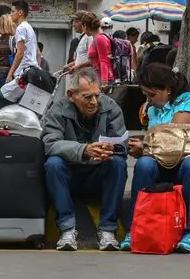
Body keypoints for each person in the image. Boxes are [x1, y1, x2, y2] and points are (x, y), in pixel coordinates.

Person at [122, 64, 190, 253]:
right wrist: (142, 149)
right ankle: (134, 230)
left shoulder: (188, 101)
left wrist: (145, 145)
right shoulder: (152, 110)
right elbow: (156, 143)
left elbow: (174, 135)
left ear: (167, 90)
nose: (148, 100)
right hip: (159, 166)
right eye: (146, 95)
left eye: (151, 95)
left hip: (185, 165)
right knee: (144, 164)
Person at [42, 68, 128, 252]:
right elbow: (50, 144)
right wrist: (84, 150)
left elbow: (122, 143)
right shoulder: (58, 110)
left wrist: (112, 149)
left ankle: (107, 231)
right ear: (71, 95)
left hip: (97, 173)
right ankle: (67, 229)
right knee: (53, 164)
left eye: (97, 95)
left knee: (118, 164)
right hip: (70, 174)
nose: (94, 102)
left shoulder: (111, 107)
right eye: (88, 97)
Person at [77, 13, 113, 84]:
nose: (83, 30)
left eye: (82, 27)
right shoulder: (96, 38)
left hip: (102, 78)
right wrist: (78, 66)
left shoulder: (99, 38)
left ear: (85, 26)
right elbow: (95, 61)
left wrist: (104, 82)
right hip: (97, 76)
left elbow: (104, 61)